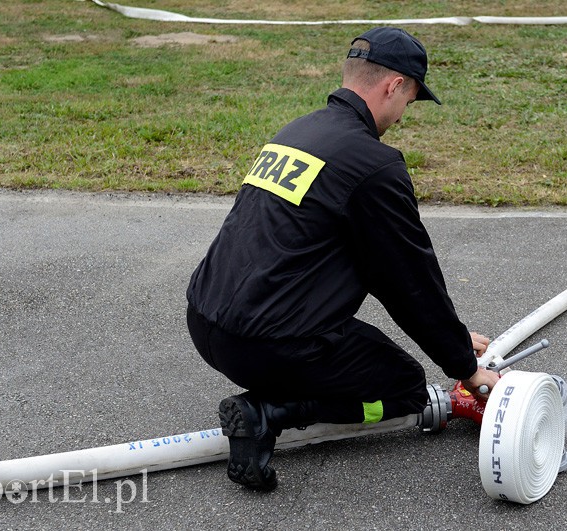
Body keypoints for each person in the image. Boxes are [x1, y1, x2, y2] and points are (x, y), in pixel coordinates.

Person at [186, 26, 499, 492]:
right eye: (410, 99)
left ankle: (280, 388)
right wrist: (466, 369)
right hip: (268, 345)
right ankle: (271, 412)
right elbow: (408, 280)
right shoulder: (374, 164)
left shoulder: (297, 132)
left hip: (205, 322)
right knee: (404, 385)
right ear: (394, 85)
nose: (403, 114)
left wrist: (452, 337)